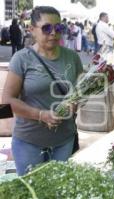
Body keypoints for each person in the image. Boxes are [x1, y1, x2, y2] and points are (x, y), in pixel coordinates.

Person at [2, 6, 83, 176]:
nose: (54, 33)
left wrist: (77, 103)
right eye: (47, 28)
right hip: (28, 142)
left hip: (64, 141)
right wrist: (41, 115)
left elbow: (82, 91)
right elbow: (6, 101)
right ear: (32, 30)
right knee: (31, 191)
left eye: (58, 28)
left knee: (57, 191)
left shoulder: (73, 57)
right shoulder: (21, 58)